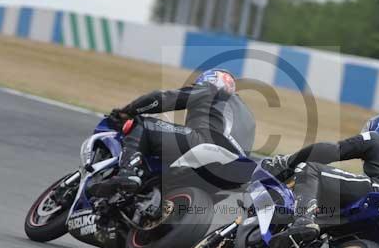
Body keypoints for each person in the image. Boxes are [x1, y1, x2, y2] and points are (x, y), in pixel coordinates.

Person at [262, 112, 379, 248]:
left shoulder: (377, 139)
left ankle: (303, 220)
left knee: (310, 169)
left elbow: (331, 151)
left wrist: (286, 162)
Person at [90, 69, 255, 197]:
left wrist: (127, 112)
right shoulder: (248, 115)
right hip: (235, 172)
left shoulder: (211, 90)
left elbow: (163, 99)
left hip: (206, 144)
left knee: (143, 124)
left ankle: (127, 172)